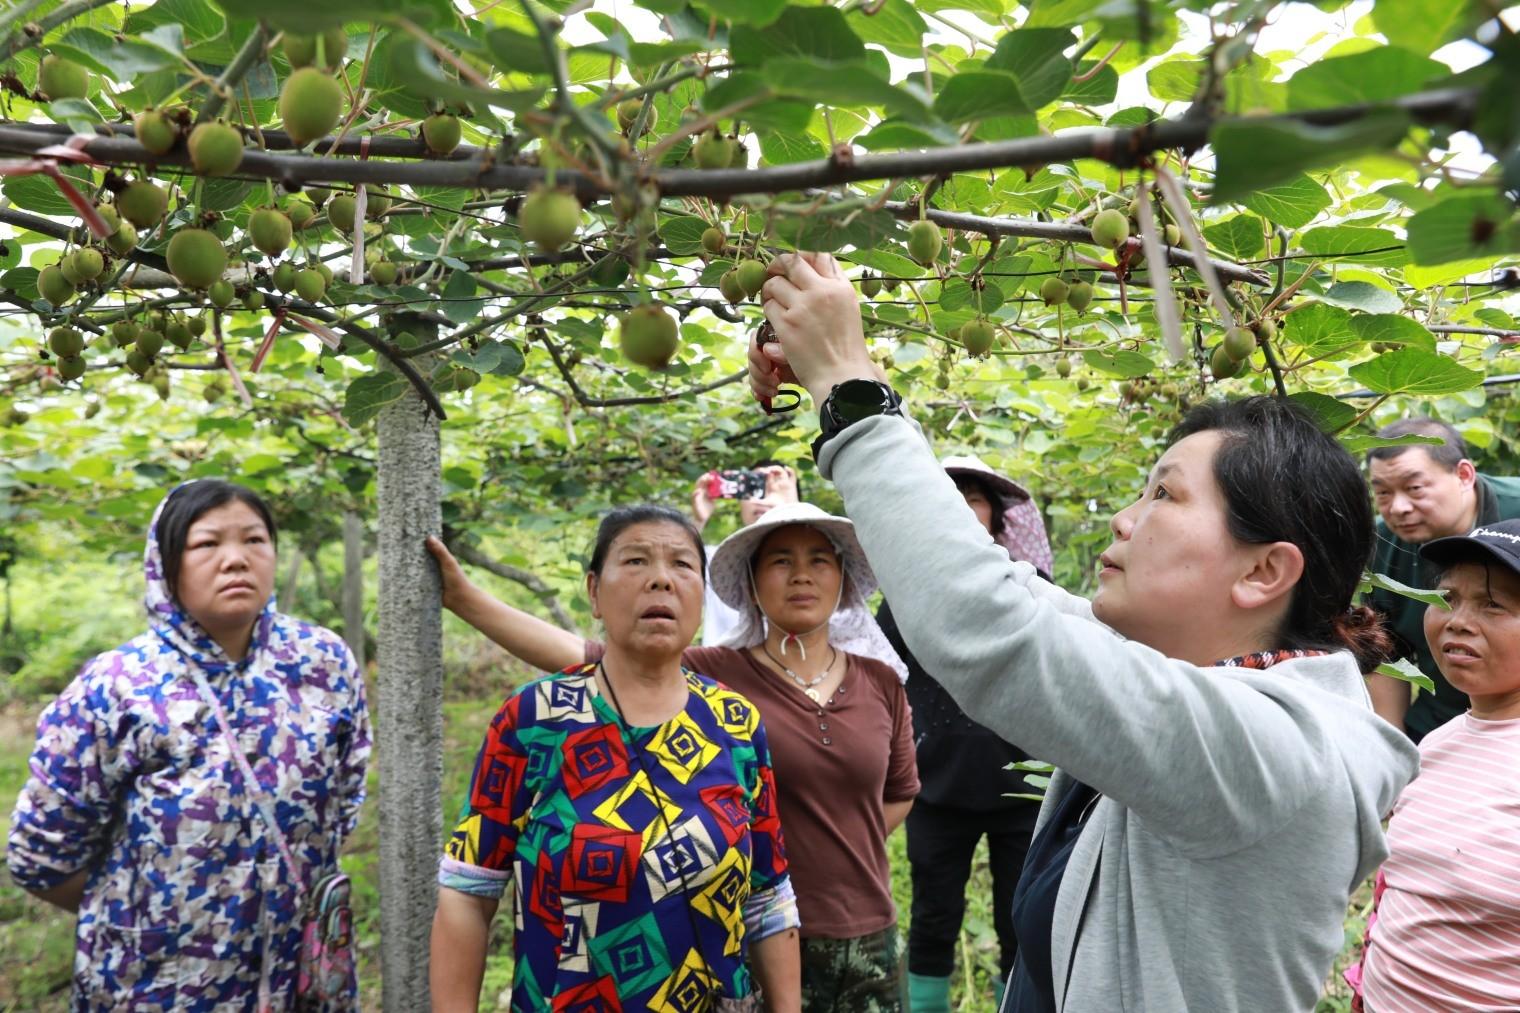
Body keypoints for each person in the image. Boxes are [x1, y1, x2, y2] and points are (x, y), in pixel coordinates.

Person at [746, 251, 1420, 1013]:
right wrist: (830, 375)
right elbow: (1018, 602)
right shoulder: (1202, 686)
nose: (1123, 517)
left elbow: (988, 624)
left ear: (1264, 572)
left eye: (1163, 493)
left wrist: (851, 384)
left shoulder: (1275, 751)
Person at [427, 499, 919, 1011]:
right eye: (636, 561)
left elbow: (768, 899)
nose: (660, 579)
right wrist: (465, 600)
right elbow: (468, 887)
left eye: (682, 565)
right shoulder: (534, 721)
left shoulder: (736, 722)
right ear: (594, 591)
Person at [7, 480, 371, 1012]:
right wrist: (139, 916)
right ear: (165, 562)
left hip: (300, 977)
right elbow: (40, 856)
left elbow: (343, 800)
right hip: (158, 988)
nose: (235, 560)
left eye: (254, 540)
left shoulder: (322, 664)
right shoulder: (117, 685)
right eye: (207, 544)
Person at [877, 456, 1052, 1013]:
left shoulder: (1029, 589)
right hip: (937, 788)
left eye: (973, 498)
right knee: (933, 914)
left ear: (995, 517)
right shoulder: (907, 593)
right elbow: (881, 675)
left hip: (1022, 787)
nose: (960, 507)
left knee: (1020, 918)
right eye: (948, 496)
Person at [1347, 519, 1520, 1011]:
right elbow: (1401, 900)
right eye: (1447, 598)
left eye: (1494, 604)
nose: (1457, 620)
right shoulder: (1432, 747)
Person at [1365, 417, 1520, 740]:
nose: (1399, 508)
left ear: (1463, 475)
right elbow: (1387, 653)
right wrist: (1394, 749)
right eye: (1382, 493)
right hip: (1439, 724)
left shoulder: (1514, 510)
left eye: (1414, 488)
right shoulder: (1382, 546)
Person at [692, 461, 801, 645]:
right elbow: (672, 575)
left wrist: (793, 508)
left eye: (774, 490)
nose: (761, 499)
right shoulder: (717, 562)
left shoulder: (822, 564)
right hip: (722, 671)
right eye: (753, 487)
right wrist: (697, 521)